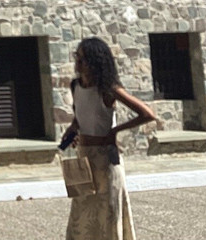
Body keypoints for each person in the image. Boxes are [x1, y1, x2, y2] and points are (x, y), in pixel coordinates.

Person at [61, 37, 156, 240]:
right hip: (84, 158)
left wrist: (115, 131)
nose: (77, 63)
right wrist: (72, 129)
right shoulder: (75, 86)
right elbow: (79, 117)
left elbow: (147, 113)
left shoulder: (108, 89)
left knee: (107, 216)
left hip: (105, 160)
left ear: (95, 62)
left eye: (82, 59)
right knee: (82, 217)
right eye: (76, 57)